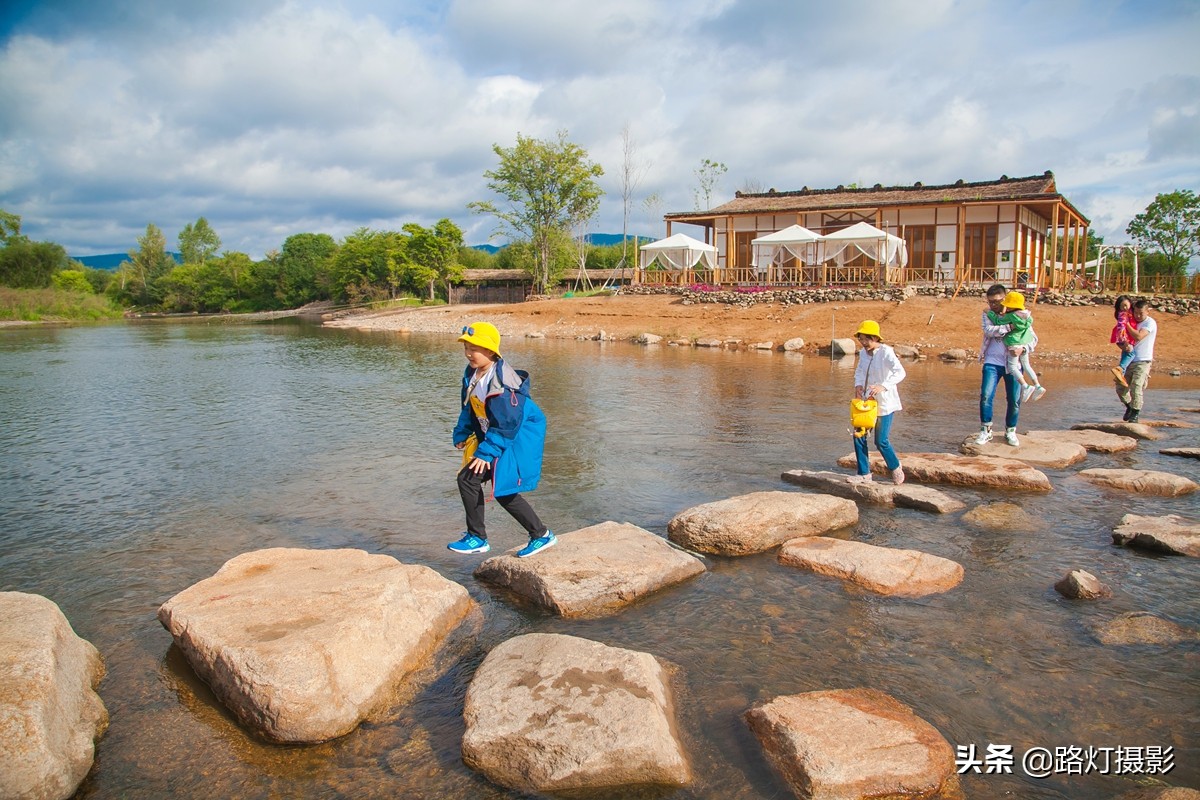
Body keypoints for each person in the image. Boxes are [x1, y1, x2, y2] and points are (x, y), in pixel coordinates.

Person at [448, 322, 555, 557]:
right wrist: (462, 432)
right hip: (498, 434)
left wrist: (487, 452)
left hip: (518, 436)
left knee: (495, 486)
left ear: (490, 351)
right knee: (471, 481)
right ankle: (537, 534)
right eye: (466, 347)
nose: (468, 353)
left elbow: (508, 423)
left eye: (473, 348)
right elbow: (470, 407)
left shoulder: (503, 386)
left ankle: (536, 535)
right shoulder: (472, 374)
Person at [848, 320, 906, 485]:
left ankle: (895, 467)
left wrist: (883, 386)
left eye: (866, 339)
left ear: (875, 338)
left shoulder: (886, 352)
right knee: (858, 434)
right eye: (861, 339)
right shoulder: (863, 354)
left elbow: (900, 372)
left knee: (881, 441)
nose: (863, 343)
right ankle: (864, 473)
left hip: (885, 403)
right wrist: (858, 385)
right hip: (867, 402)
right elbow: (859, 371)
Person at [975, 284, 1022, 447]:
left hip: (1013, 364)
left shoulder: (1019, 314)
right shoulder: (987, 314)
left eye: (997, 302)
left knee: (1014, 399)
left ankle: (1010, 431)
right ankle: (986, 430)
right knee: (986, 396)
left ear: (1006, 299)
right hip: (991, 362)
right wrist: (1008, 327)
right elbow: (988, 330)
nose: (993, 306)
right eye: (990, 302)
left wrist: (1023, 348)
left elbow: (1032, 338)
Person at [993, 291, 1046, 403]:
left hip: (1013, 343)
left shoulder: (1011, 316)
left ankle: (1025, 386)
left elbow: (997, 321)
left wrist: (990, 313)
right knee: (1026, 365)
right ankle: (1038, 386)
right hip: (1024, 343)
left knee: (1012, 367)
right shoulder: (1026, 315)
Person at [1115, 300, 1156, 423]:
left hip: (1143, 361)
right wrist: (1123, 346)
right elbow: (1120, 339)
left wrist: (1126, 324)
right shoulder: (1131, 320)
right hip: (1129, 360)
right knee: (1120, 388)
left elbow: (1138, 336)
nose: (1138, 316)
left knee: (1136, 387)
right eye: (1136, 313)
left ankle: (1135, 414)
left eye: (1141, 313)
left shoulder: (1150, 323)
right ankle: (1129, 407)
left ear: (1147, 312)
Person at [1110, 295, 1134, 387]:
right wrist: (1125, 341)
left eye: (1125, 305)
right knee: (1131, 353)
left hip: (1121, 337)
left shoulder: (1128, 313)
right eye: (1122, 306)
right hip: (1122, 337)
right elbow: (1122, 328)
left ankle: (1119, 376)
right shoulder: (1123, 315)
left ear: (1130, 304)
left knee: (1126, 354)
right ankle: (1120, 369)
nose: (1124, 308)